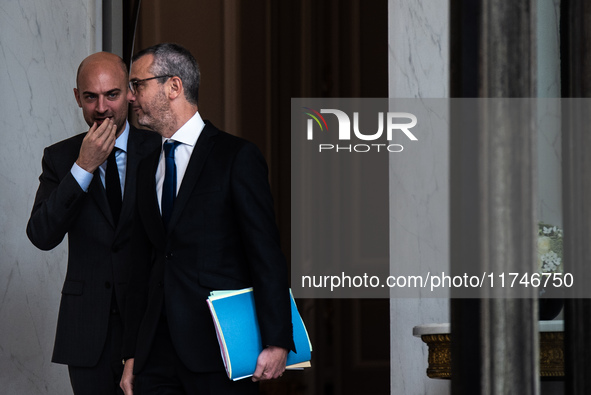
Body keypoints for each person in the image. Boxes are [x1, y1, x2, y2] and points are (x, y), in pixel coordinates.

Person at [120, 43, 294, 394]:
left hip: (220, 351)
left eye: (137, 84)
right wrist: (132, 353)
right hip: (156, 355)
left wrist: (277, 341)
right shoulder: (144, 166)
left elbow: (265, 253)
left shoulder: (237, 157)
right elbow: (142, 264)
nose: (130, 96)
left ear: (173, 87)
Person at [26, 52, 160, 394]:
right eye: (91, 97)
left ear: (130, 93)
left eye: (111, 95)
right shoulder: (60, 158)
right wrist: (82, 169)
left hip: (152, 325)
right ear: (77, 98)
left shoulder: (160, 148)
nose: (102, 108)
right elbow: (41, 234)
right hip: (87, 333)